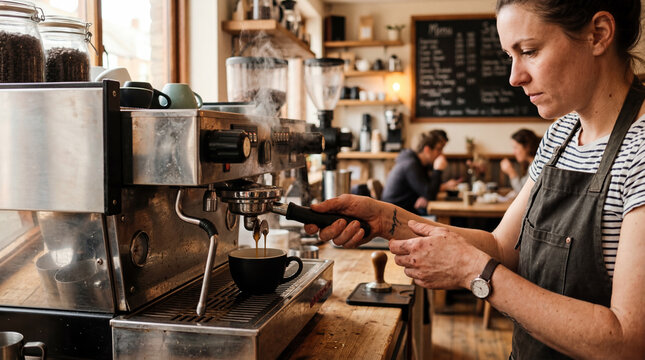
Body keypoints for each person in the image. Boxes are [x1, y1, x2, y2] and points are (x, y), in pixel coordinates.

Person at [303, 1, 645, 358]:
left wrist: (473, 272)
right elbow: (500, 247)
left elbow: (628, 341)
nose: (515, 77)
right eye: (509, 55)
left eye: (529, 51)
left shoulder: (641, 147)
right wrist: (386, 219)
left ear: (599, 34)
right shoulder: (560, 135)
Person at [380, 130, 460, 214]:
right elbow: (430, 194)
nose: (441, 154)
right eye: (439, 149)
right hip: (393, 215)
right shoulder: (410, 164)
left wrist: (424, 196)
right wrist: (438, 170)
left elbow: (428, 189)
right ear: (427, 150)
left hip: (405, 211)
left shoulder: (418, 163)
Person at [500, 129, 540, 193]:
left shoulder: (537, 166)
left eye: (515, 147)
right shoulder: (532, 164)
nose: (514, 152)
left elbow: (522, 192)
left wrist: (511, 172)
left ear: (527, 147)